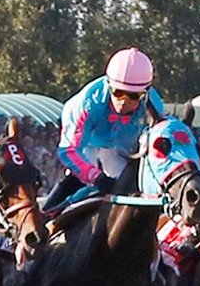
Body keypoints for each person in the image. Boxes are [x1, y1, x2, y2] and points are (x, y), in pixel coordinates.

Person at [44, 47, 165, 214]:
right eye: (118, 92)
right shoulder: (86, 104)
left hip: (123, 148)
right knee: (78, 178)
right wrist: (96, 177)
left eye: (133, 96)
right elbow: (69, 151)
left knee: (133, 182)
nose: (123, 102)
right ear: (109, 85)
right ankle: (48, 214)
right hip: (88, 144)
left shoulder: (155, 107)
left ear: (145, 93)